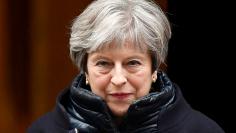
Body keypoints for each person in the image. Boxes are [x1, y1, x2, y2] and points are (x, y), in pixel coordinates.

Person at [28, 0, 225, 132]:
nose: (119, 79)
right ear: (85, 69)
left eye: (133, 63)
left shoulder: (201, 129)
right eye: (103, 63)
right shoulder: (43, 130)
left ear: (154, 69)